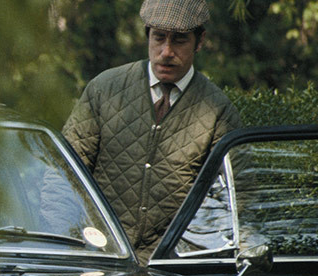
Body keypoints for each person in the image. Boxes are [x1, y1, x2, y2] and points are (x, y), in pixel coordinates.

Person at [61, 0, 241, 262]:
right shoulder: (104, 89)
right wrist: (67, 245)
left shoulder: (217, 110)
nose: (166, 52)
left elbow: (237, 198)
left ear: (199, 41)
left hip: (170, 266)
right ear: (147, 35)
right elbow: (63, 176)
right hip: (100, 257)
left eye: (179, 40)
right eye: (159, 38)